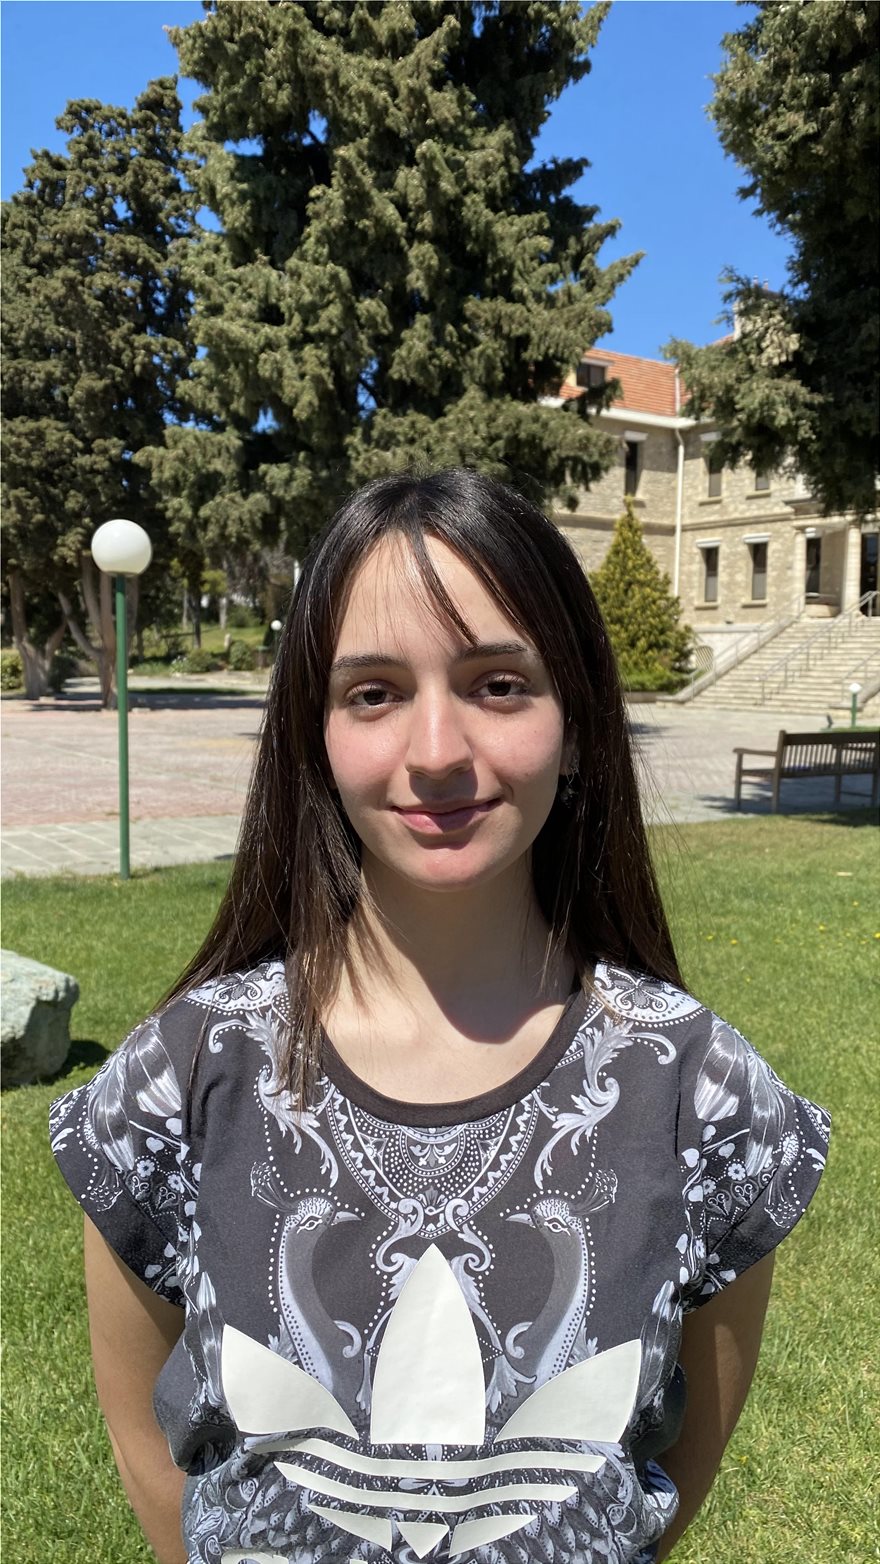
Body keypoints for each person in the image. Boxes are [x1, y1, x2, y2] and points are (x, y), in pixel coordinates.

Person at [51, 467, 830, 1564]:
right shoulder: (177, 1082)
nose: (435, 753)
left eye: (498, 684)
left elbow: (663, 1478)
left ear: (576, 721)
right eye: (372, 693)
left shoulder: (705, 1097)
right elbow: (149, 1448)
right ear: (314, 732)